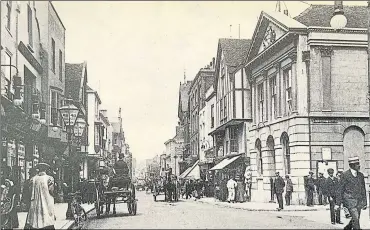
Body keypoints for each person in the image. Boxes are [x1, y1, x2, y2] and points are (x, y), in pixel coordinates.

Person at [336, 157, 367, 230]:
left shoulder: (361, 175)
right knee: (356, 219)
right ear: (352, 165)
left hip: (359, 201)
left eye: (358, 163)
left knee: (355, 219)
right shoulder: (345, 175)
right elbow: (340, 189)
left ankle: (347, 228)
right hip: (349, 200)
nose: (359, 165)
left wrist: (365, 202)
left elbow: (363, 189)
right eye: (357, 164)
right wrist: (338, 203)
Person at [25, 163, 56, 229]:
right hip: (47, 201)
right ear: (46, 169)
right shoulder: (49, 179)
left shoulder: (33, 179)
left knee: (35, 219)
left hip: (35, 202)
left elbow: (30, 191)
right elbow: (51, 191)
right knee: (47, 217)